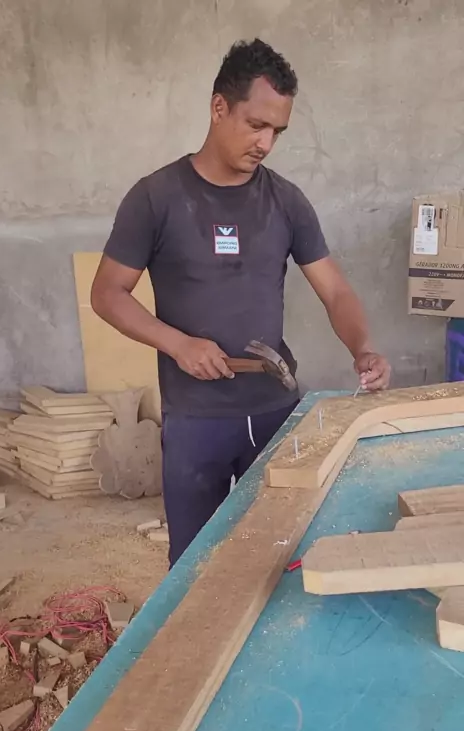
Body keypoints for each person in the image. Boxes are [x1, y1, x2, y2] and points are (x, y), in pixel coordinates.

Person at [91, 38, 391, 566]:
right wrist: (178, 345)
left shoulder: (286, 201)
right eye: (256, 125)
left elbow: (335, 290)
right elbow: (106, 294)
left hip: (275, 411)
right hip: (195, 419)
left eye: (277, 131)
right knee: (193, 567)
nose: (266, 143)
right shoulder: (156, 198)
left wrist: (362, 347)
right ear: (218, 107)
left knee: (282, 555)